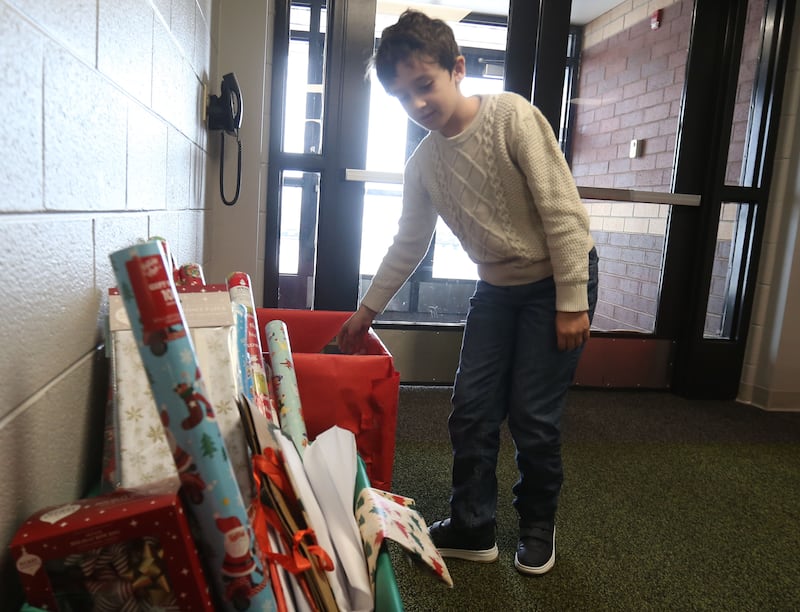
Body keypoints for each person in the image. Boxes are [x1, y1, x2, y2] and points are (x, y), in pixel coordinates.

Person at [336, 9, 598, 576]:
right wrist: (365, 313)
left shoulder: (510, 117)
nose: (417, 104)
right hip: (497, 291)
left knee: (533, 415)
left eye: (424, 85)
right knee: (471, 409)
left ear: (456, 69)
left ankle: (535, 525)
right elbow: (408, 245)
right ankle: (473, 525)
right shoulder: (424, 162)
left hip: (555, 282)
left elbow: (563, 213)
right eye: (402, 97)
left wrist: (572, 299)